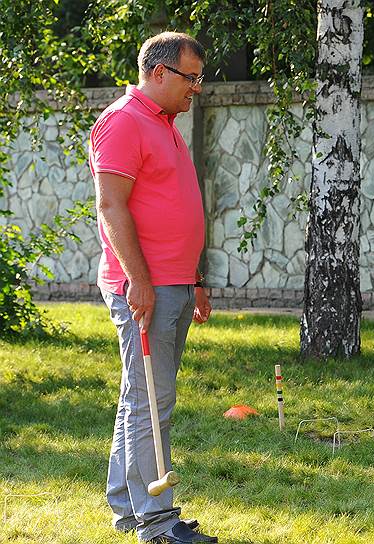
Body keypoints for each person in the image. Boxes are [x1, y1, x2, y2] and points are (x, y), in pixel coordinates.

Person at [90, 32, 217, 543]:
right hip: (144, 286)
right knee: (150, 401)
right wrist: (139, 281)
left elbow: (176, 203)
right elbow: (111, 207)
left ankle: (127, 509)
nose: (197, 90)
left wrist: (198, 278)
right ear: (159, 73)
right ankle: (157, 523)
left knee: (138, 398)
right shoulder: (123, 122)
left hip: (174, 281)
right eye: (191, 78)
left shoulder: (165, 122)